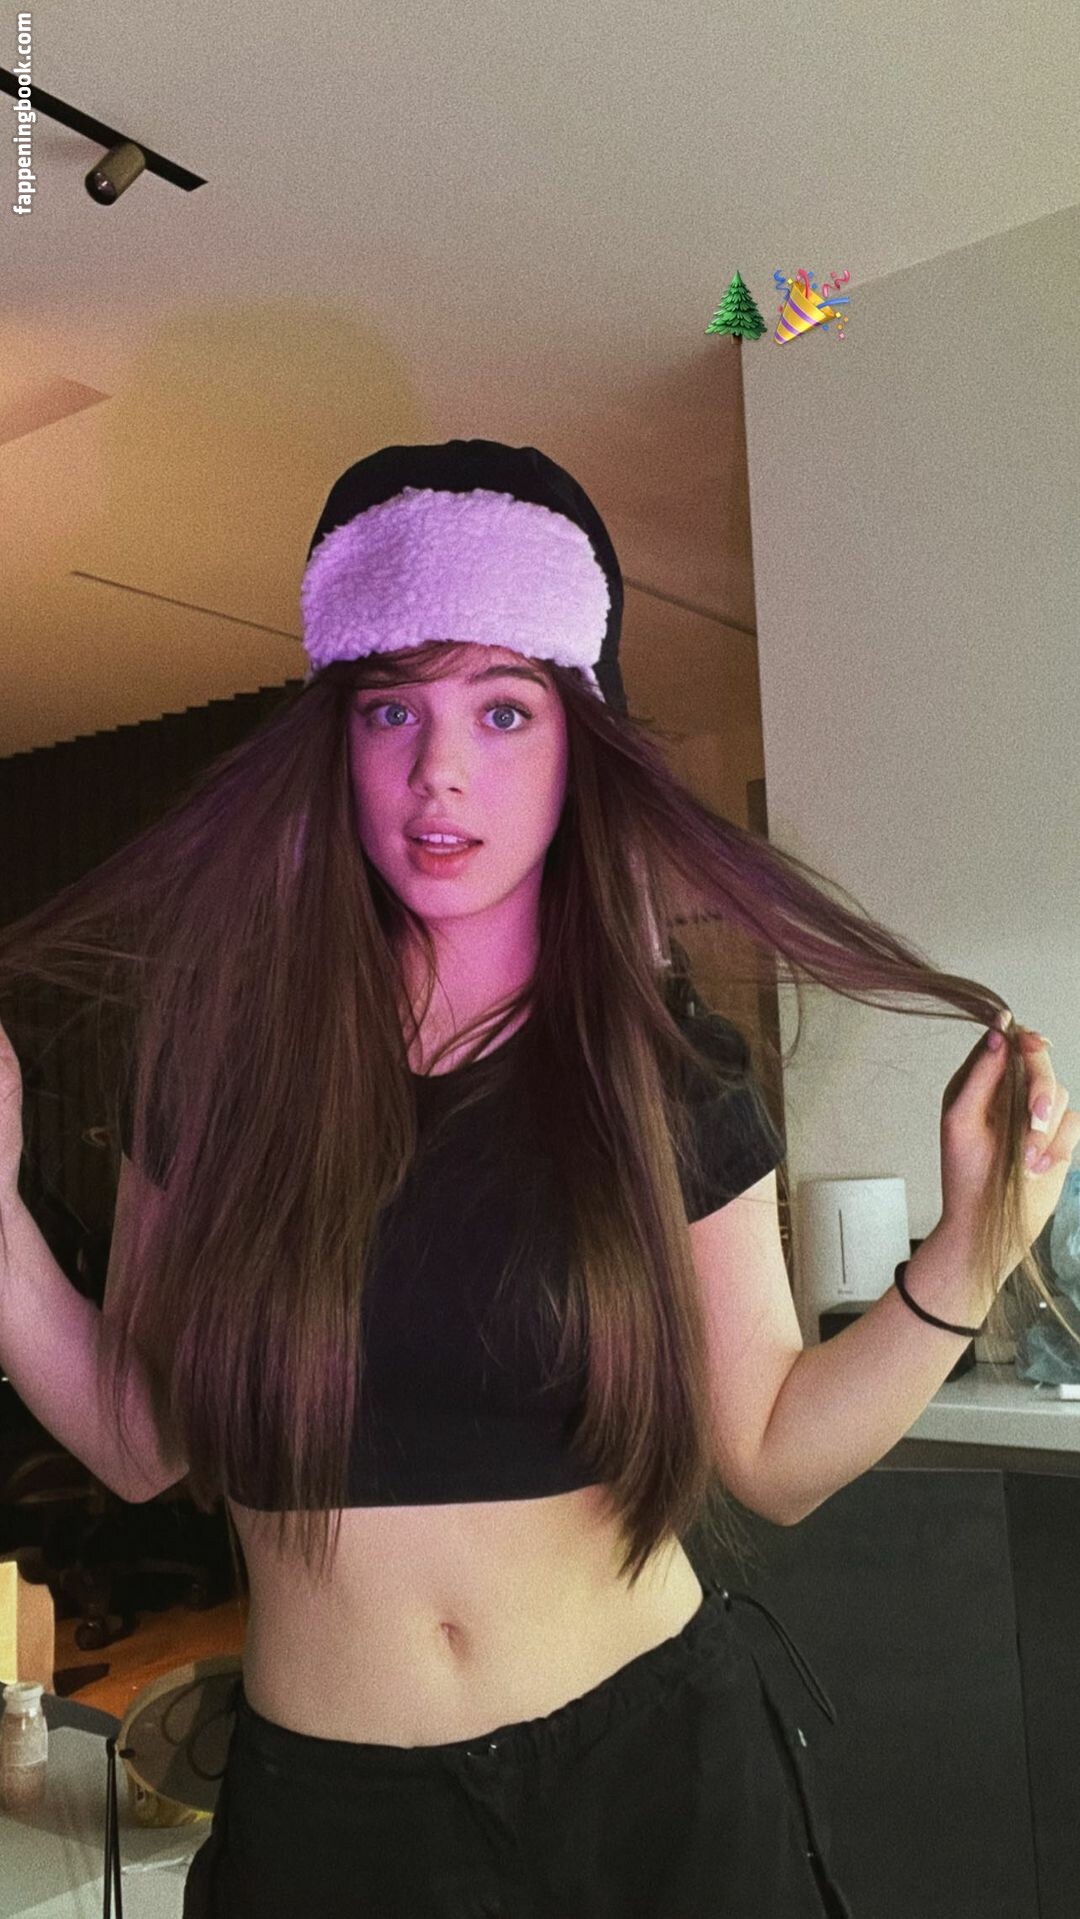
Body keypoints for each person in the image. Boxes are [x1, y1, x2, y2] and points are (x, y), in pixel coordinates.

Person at [0, 440, 1073, 1917]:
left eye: (505, 711)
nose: (440, 771)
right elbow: (141, 1441)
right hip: (335, 1827)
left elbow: (770, 1450)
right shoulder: (216, 1067)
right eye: (393, 710)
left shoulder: (657, 1065)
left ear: (580, 745)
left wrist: (971, 1249)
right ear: (336, 742)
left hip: (659, 1787)